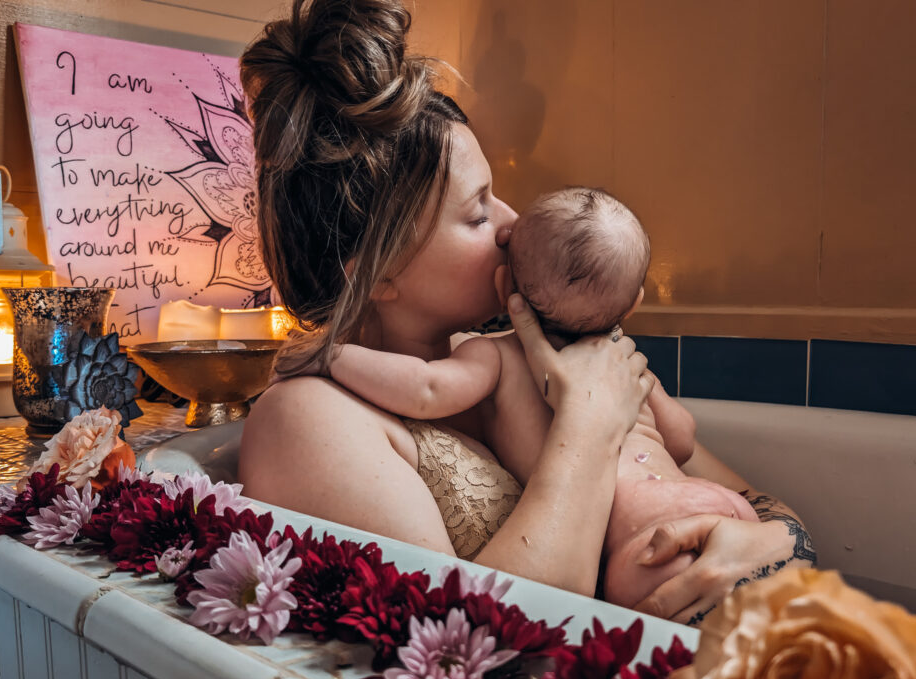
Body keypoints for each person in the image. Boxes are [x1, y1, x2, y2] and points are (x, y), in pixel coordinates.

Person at [238, 0, 815, 625]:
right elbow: (464, 641)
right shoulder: (306, 418)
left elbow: (758, 502)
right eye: (479, 212)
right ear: (380, 271)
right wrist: (588, 426)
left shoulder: (511, 358)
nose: (513, 226)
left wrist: (767, 546)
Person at [321, 186, 759, 611]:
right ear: (633, 305)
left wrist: (332, 357)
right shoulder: (624, 365)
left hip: (643, 538)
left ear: (506, 282)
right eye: (479, 212)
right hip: (716, 507)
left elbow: (425, 390)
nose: (506, 223)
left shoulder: (495, 355)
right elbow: (680, 439)